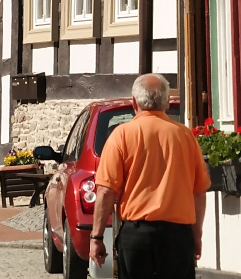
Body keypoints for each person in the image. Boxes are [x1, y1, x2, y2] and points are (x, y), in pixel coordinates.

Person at [89, 73, 210, 279]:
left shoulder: (122, 135)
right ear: (167, 102)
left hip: (137, 235)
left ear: (134, 102)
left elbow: (106, 191)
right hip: (177, 236)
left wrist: (96, 237)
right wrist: (196, 234)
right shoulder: (185, 136)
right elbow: (198, 192)